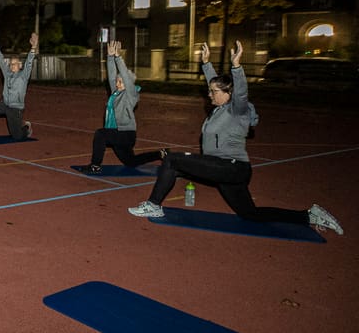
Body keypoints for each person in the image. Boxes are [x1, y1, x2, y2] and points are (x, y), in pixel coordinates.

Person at [128, 40, 343, 236]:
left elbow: (240, 93)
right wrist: (206, 64)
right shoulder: (220, 109)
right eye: (210, 91)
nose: (209, 95)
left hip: (231, 166)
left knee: (172, 159)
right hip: (226, 170)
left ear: (228, 94)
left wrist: (237, 67)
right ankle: (309, 215)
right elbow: (217, 84)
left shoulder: (237, 110)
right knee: (250, 213)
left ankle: (154, 204)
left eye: (213, 92)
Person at [76, 40, 163, 170]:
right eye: (117, 81)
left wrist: (118, 57)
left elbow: (126, 78)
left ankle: (95, 165)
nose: (117, 84)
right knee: (131, 162)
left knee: (100, 134)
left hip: (126, 134)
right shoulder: (116, 93)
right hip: (116, 133)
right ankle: (160, 154)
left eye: (120, 82)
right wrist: (110, 57)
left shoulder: (131, 94)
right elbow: (111, 76)